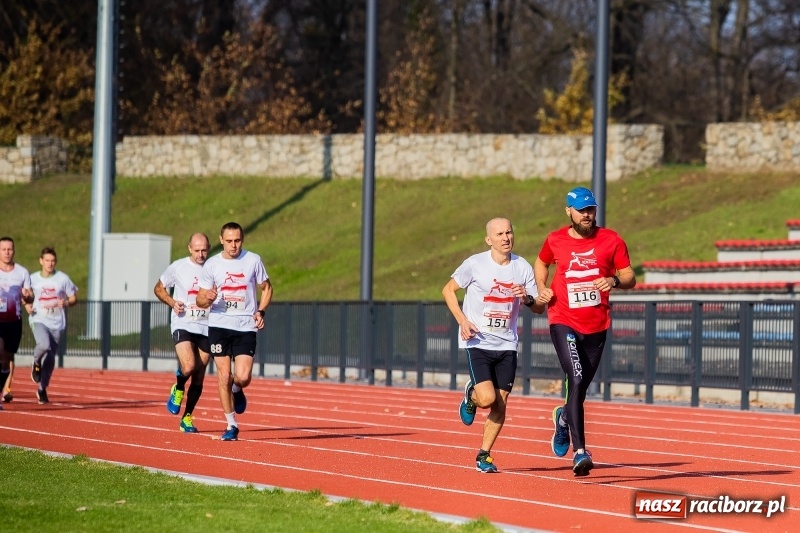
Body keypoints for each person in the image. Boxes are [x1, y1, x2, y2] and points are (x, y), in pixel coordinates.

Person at [534, 187, 636, 476]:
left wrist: (614, 280)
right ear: (569, 211)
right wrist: (542, 288)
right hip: (563, 318)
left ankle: (564, 418)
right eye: (581, 210)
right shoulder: (555, 240)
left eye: (591, 209)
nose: (587, 215)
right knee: (575, 378)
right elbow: (541, 262)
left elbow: (630, 276)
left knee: (580, 388)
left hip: (597, 325)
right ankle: (580, 452)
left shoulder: (612, 240)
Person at [442, 217, 546, 473]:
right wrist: (463, 321)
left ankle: (484, 455)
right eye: (499, 234)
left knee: (501, 402)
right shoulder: (475, 264)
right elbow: (448, 290)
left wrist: (529, 298)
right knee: (487, 398)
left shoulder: (522, 266)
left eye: (509, 232)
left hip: (507, 344)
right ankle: (471, 394)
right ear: (489, 239)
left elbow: (539, 308)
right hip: (478, 340)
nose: (505, 238)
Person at [196, 222, 272, 441]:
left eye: (237, 240)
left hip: (245, 326)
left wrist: (261, 311)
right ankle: (231, 424)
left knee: (243, 377)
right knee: (224, 375)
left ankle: (238, 390)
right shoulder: (212, 265)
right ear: (221, 240)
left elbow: (267, 288)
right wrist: (206, 298)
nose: (233, 245)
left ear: (242, 240)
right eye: (229, 241)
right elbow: (200, 299)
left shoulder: (253, 260)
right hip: (219, 325)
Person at [154, 233, 212, 432]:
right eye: (197, 250)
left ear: (209, 248)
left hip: (207, 326)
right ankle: (178, 387)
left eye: (204, 250)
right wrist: (172, 302)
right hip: (183, 322)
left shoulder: (215, 268)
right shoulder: (178, 267)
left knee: (199, 375)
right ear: (189, 248)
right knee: (188, 366)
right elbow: (159, 288)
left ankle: (187, 418)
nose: (200, 254)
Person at [25, 247, 78, 404]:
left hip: (57, 322)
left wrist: (67, 302)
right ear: (41, 261)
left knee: (50, 358)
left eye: (53, 261)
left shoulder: (62, 279)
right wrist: (27, 305)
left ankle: (42, 389)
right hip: (38, 319)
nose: (50, 263)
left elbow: (74, 298)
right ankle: (36, 362)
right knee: (44, 344)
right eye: (47, 260)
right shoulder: (32, 279)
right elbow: (24, 296)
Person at [0, 237, 34, 407]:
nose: (7, 252)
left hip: (14, 321)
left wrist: (28, 296)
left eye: (9, 249)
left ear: (14, 251)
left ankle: (2, 390)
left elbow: (30, 295)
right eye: (3, 249)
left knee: (7, 359)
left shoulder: (22, 272)